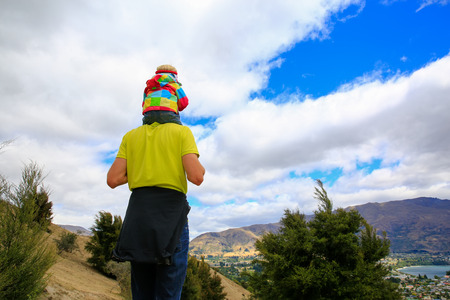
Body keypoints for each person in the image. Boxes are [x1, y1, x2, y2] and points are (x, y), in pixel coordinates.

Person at [107, 118, 205, 299]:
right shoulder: (181, 132)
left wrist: (141, 170)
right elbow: (196, 176)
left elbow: (113, 179)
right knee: (168, 294)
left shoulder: (131, 136)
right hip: (171, 222)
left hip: (139, 221)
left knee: (142, 294)